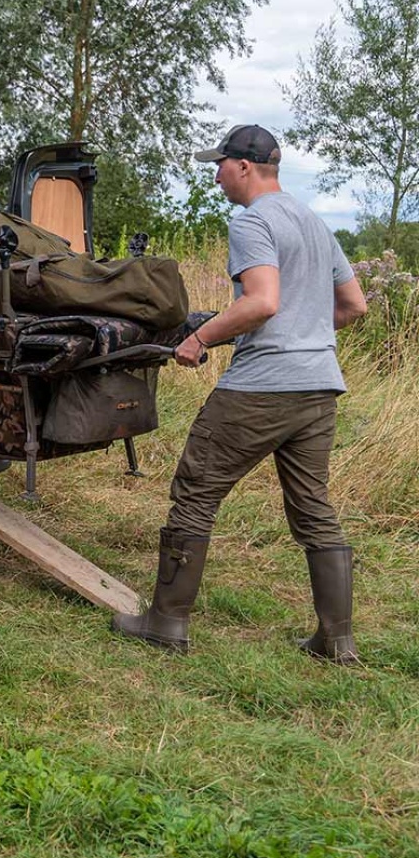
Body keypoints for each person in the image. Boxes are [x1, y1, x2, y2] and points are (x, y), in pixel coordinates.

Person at [112, 124, 367, 662]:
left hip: (262, 388)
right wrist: (305, 338)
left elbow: (262, 301)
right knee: (313, 507)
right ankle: (336, 640)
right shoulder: (315, 222)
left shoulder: (253, 221)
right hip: (319, 388)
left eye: (220, 164)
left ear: (245, 166)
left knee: (196, 491)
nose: (216, 173)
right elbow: (352, 306)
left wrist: (198, 338)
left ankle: (167, 622)